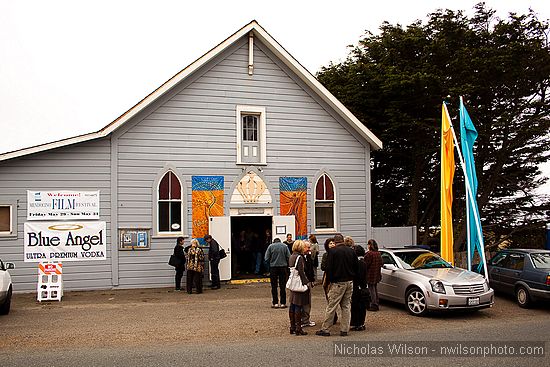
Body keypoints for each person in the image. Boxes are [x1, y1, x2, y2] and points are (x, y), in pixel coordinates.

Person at [315, 234, 358, 337]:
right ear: (342, 240)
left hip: (338, 283)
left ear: (335, 241)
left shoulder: (332, 252)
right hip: (349, 281)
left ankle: (325, 329)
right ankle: (344, 329)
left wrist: (330, 281)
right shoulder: (351, 251)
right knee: (346, 306)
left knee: (331, 306)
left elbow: (329, 268)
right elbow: (356, 267)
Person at [288, 240, 311, 336]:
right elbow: (301, 272)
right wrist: (306, 283)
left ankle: (292, 326)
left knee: (292, 305)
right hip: (298, 283)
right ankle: (298, 327)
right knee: (298, 305)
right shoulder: (299, 258)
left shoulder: (291, 256)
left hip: (292, 283)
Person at [264, 237, 290, 308]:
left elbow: (266, 258)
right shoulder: (284, 246)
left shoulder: (270, 246)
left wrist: (270, 262)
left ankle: (275, 303)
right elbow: (288, 256)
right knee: (282, 286)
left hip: (273, 268)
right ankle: (283, 303)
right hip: (283, 267)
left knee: (274, 286)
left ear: (273, 241)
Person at [350, 245, 369, 331]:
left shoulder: (358, 263)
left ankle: (357, 324)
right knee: (362, 307)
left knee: (356, 306)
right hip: (364, 287)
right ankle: (361, 323)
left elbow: (357, 276)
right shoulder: (363, 262)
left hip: (358, 287)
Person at [300, 240, 316, 328]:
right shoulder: (300, 257)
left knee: (307, 302)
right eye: (308, 247)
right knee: (304, 302)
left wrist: (312, 280)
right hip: (303, 282)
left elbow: (311, 269)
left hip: (308, 281)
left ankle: (305, 319)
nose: (309, 249)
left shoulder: (308, 256)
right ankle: (303, 320)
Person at [364, 239, 383, 311]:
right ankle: (376, 303)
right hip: (377, 274)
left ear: (370, 245)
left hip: (370, 274)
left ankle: (374, 304)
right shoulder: (378, 253)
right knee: (374, 288)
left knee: (371, 289)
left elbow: (365, 264)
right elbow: (381, 263)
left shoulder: (369, 254)